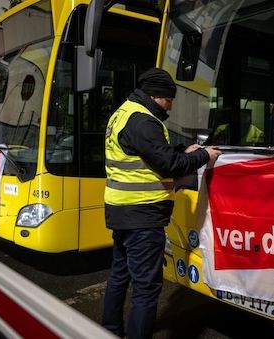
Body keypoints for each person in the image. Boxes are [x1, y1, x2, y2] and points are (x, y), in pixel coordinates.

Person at [102, 67, 220, 339]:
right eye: (170, 98)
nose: (172, 104)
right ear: (158, 96)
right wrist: (204, 155)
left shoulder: (123, 114)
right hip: (143, 214)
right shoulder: (143, 121)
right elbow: (170, 165)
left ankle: (109, 331)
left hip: (121, 210)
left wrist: (182, 151)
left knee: (120, 274)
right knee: (146, 287)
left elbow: (150, 155)